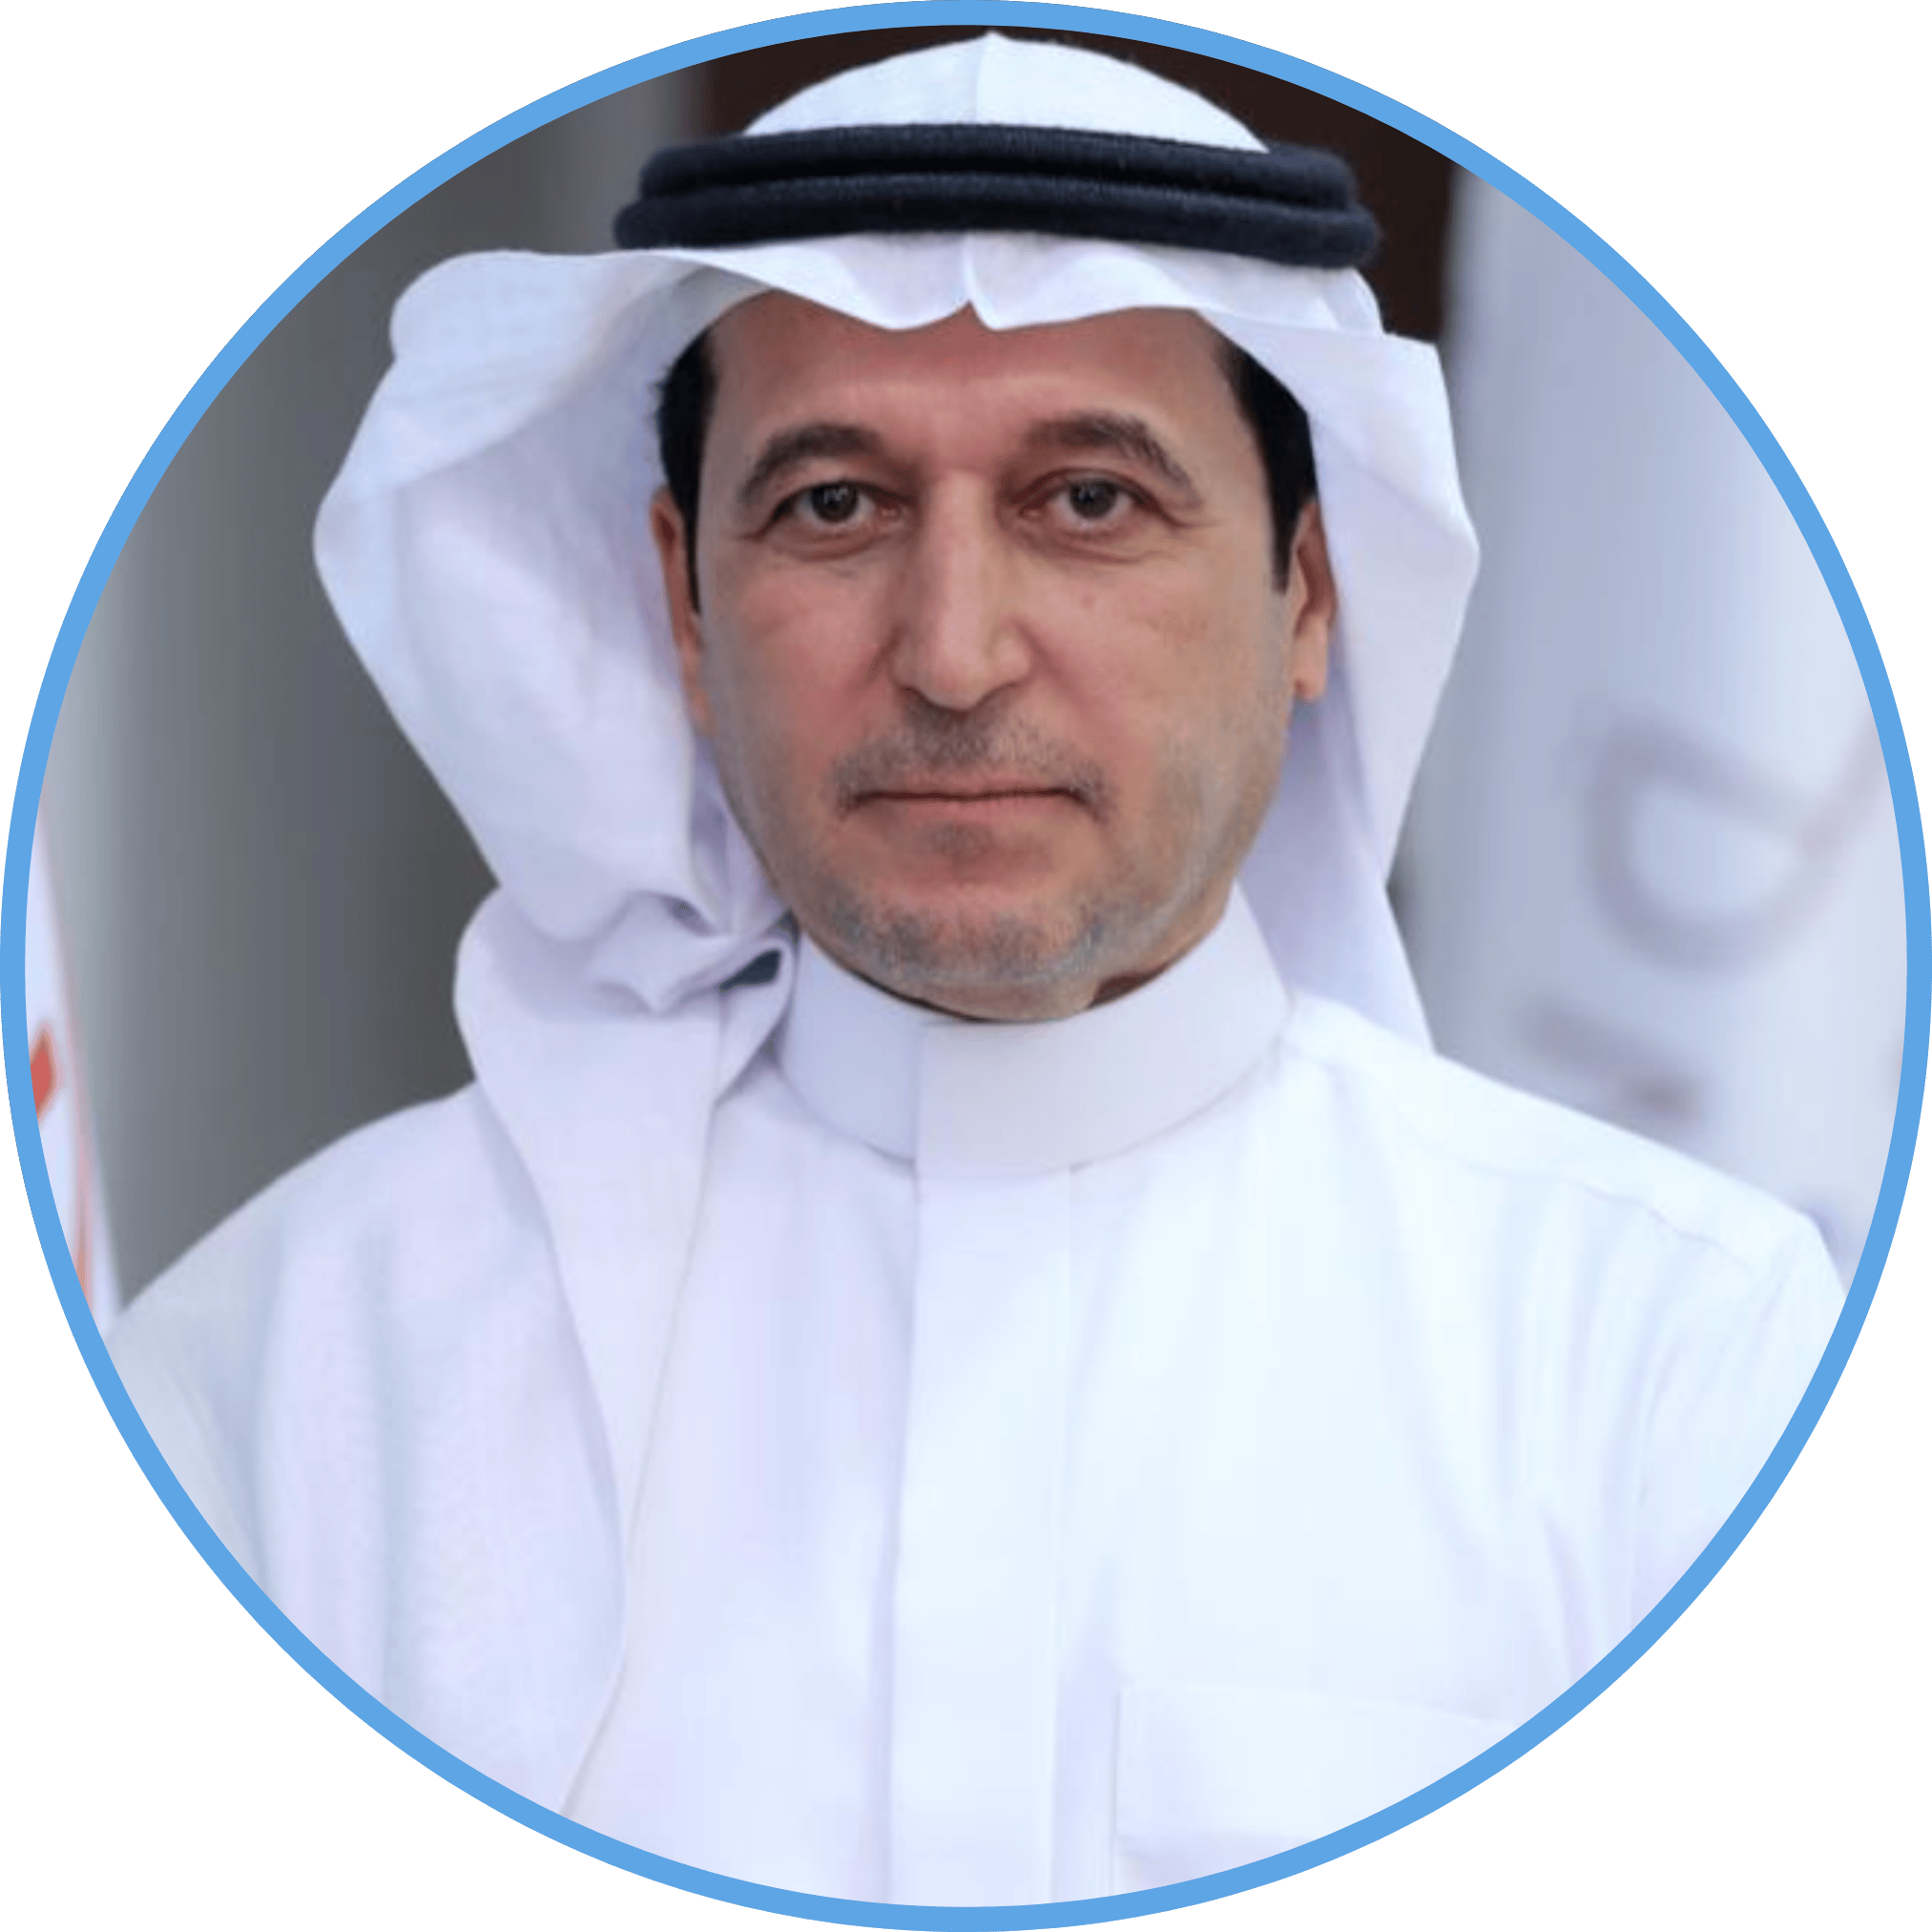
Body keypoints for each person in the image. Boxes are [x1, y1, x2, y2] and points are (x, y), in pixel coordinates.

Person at [107, 33, 1840, 1908]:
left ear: (1313, 591)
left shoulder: (1671, 1363)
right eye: (832, 505)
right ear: (683, 605)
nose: (951, 652)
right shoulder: (295, 1370)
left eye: (1087, 500)